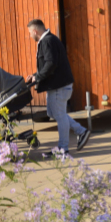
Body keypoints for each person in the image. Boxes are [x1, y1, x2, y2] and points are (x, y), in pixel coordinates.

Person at [24, 19, 90, 157]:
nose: (30, 35)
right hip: (57, 85)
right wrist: (36, 75)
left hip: (58, 86)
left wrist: (38, 77)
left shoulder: (47, 41)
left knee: (59, 116)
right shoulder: (49, 39)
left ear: (35, 31)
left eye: (30, 32)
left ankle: (63, 149)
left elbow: (51, 64)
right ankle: (80, 131)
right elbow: (50, 64)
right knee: (54, 114)